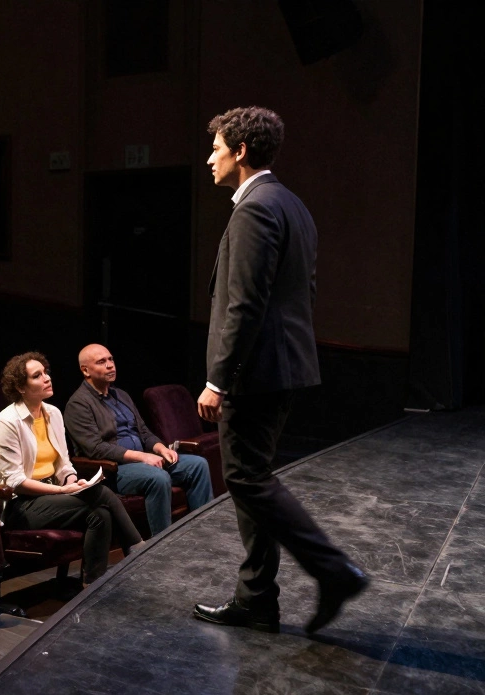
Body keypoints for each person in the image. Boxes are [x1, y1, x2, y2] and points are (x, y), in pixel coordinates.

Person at [193, 106, 367, 635]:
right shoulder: (293, 205)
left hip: (256, 371)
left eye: (217, 148)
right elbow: (302, 294)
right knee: (250, 479)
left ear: (241, 151)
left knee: (248, 477)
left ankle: (333, 571)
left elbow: (244, 305)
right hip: (285, 364)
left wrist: (218, 379)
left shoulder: (254, 209)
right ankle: (256, 599)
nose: (210, 158)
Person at [0, 352, 144, 586]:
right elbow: (16, 481)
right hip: (19, 504)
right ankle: (139, 548)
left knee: (100, 514)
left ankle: (91, 586)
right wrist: (63, 491)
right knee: (100, 494)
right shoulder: (7, 422)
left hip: (50, 494)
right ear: (20, 386)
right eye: (37, 376)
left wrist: (71, 480)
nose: (47, 378)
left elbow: (63, 464)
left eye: (45, 372)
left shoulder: (53, 413)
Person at [64, 343, 213, 537]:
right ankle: (162, 545)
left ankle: (203, 534)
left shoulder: (121, 395)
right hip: (113, 470)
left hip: (143, 462)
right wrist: (142, 457)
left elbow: (143, 432)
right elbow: (96, 449)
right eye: (102, 362)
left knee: (197, 465)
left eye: (111, 359)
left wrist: (160, 448)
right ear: (86, 370)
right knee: (158, 477)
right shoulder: (78, 404)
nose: (110, 365)